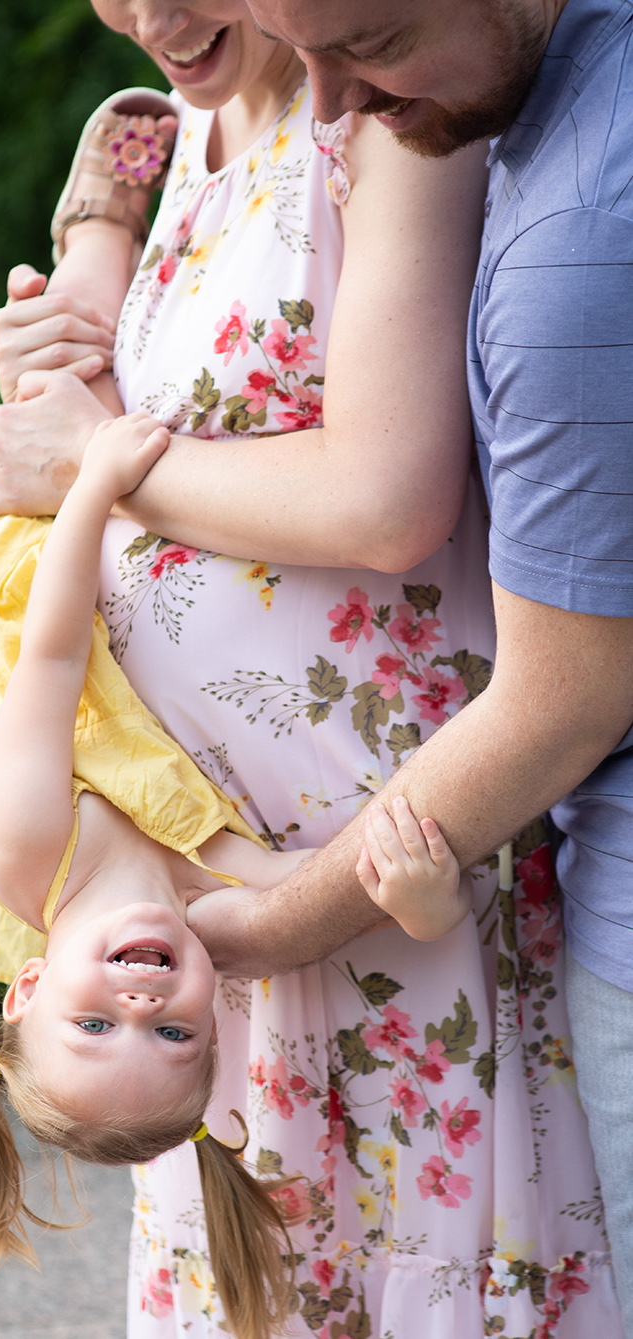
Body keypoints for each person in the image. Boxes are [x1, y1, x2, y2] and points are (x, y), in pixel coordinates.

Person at [0, 0, 616, 1330]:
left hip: (369, 890)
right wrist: (80, 287)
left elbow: (388, 500)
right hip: (225, 961)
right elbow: (131, 132)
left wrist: (88, 474)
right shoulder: (194, 121)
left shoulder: (386, 106)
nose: (152, 15)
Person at [184, 0, 633, 1332]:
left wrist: (265, 926)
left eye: (367, 47)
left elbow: (559, 704)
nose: (326, 106)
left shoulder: (574, 250)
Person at [0, 400, 468, 1338]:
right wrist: (428, 906)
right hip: (77, 618)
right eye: (173, 1039)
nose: (140, 1010)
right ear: (211, 1019)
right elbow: (357, 891)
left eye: (93, 1023)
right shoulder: (217, 900)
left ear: (25, 986)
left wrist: (93, 480)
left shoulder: (24, 838)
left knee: (64, 398)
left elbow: (54, 645)